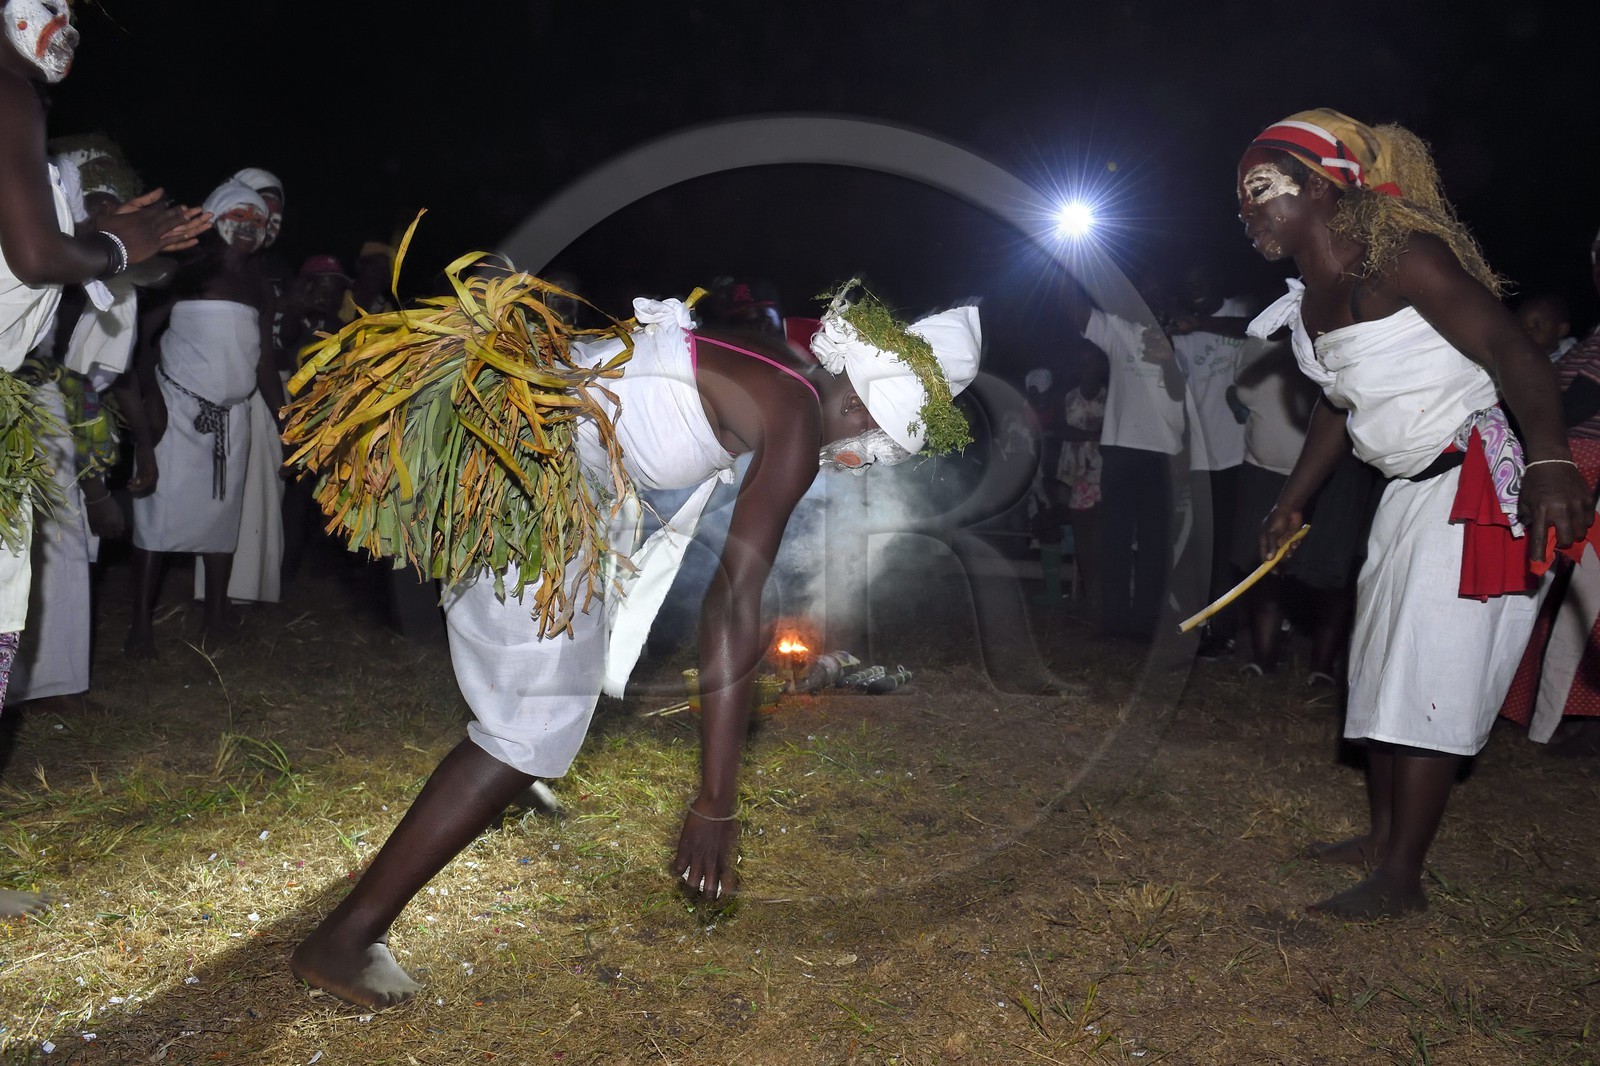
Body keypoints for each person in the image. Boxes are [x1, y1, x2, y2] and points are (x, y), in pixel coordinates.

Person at [287, 276, 981, 1009]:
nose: (858, 456)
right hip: (521, 461)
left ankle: (489, 796)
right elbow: (732, 605)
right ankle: (345, 939)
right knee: (528, 732)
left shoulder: (778, 360)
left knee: (554, 695)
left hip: (522, 446)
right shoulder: (801, 417)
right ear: (859, 402)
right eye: (869, 442)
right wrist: (716, 801)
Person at [1240, 109, 1592, 918]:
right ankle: (1381, 841)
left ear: (1323, 188)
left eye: (1260, 187)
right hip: (1409, 490)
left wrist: (1548, 462)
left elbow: (1514, 350)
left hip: (1477, 485)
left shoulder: (1402, 261)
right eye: (1242, 196)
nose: (1247, 208)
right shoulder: (1317, 301)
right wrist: (1292, 501)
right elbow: (1340, 405)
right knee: (1382, 668)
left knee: (1430, 670)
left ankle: (1401, 879)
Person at [0, 0, 210, 918]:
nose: (67, 25)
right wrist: (125, 241)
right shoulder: (8, 87)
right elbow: (40, 255)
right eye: (49, 6)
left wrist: (116, 235)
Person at [125, 179, 278, 657]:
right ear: (215, 220)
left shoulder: (260, 286)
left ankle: (215, 617)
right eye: (239, 216)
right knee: (156, 519)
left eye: (257, 221)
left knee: (221, 520)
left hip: (230, 420)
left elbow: (265, 362)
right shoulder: (186, 273)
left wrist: (290, 424)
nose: (248, 228)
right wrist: (151, 397)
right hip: (177, 412)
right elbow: (138, 338)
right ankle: (140, 627)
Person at [1499, 225, 1600, 754]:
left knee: (1570, 612)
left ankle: (1551, 725)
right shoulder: (1591, 337)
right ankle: (1530, 716)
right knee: (1536, 598)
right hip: (1562, 469)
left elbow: (1573, 409)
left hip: (1579, 474)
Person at [1064, 275, 1184, 640]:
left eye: (1155, 297)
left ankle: (1145, 627)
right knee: (1114, 542)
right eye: (1142, 297)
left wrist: (1167, 360)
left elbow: (1183, 397)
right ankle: (1114, 626)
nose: (1148, 303)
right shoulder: (1121, 330)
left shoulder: (1187, 339)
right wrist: (1066, 262)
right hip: (1119, 449)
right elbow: (1077, 314)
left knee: (1155, 547)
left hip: (1164, 454)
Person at [1514, 292, 1575, 363]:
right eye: (1522, 327)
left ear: (1562, 330)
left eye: (1537, 325)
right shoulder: (1516, 360)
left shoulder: (1574, 356)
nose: (1528, 331)